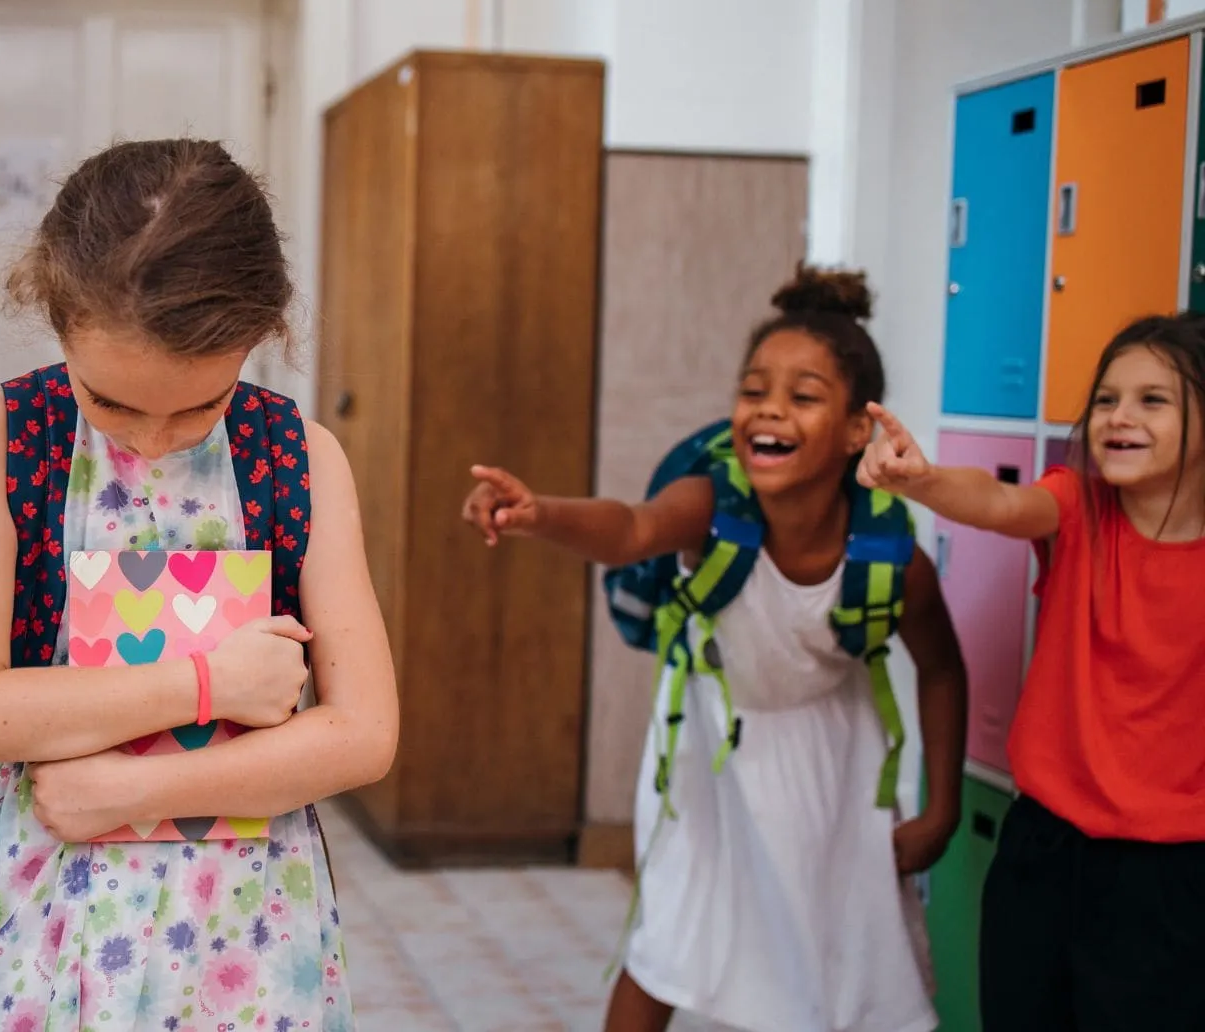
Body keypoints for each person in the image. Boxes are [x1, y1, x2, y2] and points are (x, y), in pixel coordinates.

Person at [0, 138, 398, 1031]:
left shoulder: (301, 456)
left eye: (197, 406)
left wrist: (135, 792)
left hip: (250, 923)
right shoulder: (0, 436)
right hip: (46, 904)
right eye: (110, 403)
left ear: (260, 337)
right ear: (56, 319)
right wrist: (210, 683)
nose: (145, 443)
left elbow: (364, 733)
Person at [463, 265, 967, 1032]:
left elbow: (942, 668)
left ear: (858, 431)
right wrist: (540, 514)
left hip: (836, 756)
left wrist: (943, 808)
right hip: (710, 747)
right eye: (754, 391)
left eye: (803, 396)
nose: (769, 410)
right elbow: (630, 528)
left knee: (853, 943)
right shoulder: (712, 507)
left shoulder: (893, 558)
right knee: (675, 927)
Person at [858, 314, 1205, 1031]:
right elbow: (1001, 502)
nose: (1119, 417)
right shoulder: (1080, 508)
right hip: (1043, 852)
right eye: (1106, 399)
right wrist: (921, 482)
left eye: (1152, 400)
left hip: (1174, 874)